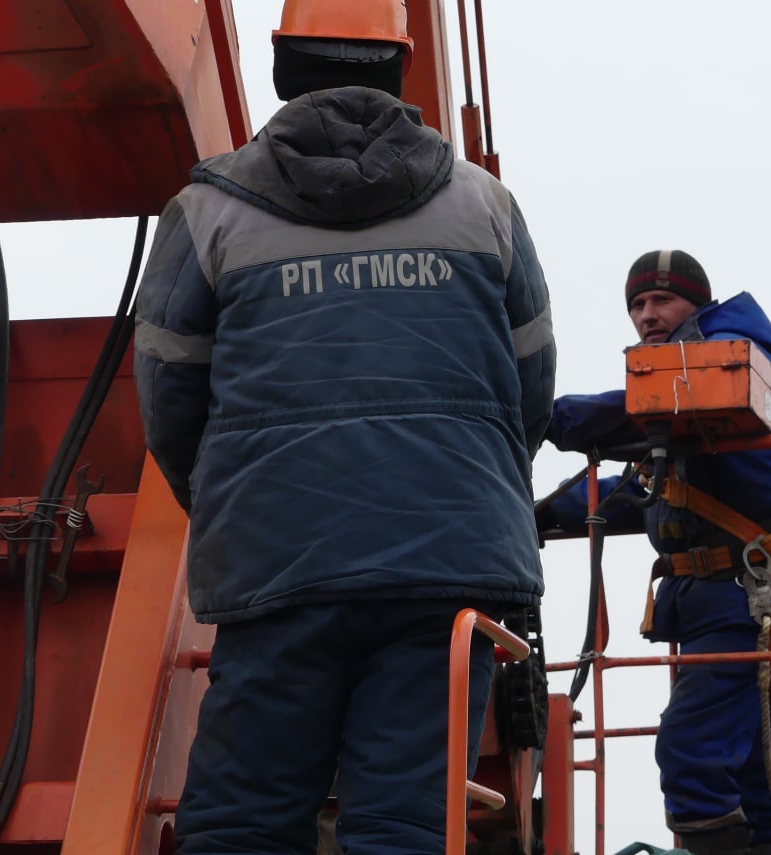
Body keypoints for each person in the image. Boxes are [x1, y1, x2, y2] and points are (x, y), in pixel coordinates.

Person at [132, 1, 556, 851]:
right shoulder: (486, 206)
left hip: (277, 563)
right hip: (445, 569)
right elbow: (530, 393)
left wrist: (235, 505)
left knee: (242, 825)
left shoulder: (208, 211)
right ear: (402, 63)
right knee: (406, 825)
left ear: (283, 65)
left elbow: (168, 400)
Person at [538, 250, 771, 855]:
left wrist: (546, 417)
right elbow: (649, 489)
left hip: (744, 596)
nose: (647, 315)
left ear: (697, 305)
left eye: (662, 300)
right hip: (727, 600)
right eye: (637, 304)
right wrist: (547, 512)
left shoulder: (728, 358)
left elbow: (636, 413)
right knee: (753, 766)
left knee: (692, 752)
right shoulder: (683, 398)